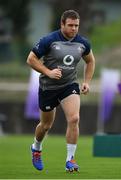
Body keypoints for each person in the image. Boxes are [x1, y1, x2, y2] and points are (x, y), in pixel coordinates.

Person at [27, 9, 95, 172]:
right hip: (48, 87)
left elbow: (90, 61)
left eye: (76, 26)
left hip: (69, 85)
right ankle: (36, 148)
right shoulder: (49, 40)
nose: (74, 29)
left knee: (74, 118)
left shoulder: (83, 43)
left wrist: (86, 82)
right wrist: (48, 72)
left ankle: (70, 159)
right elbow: (31, 59)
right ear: (62, 24)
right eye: (70, 25)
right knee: (45, 126)